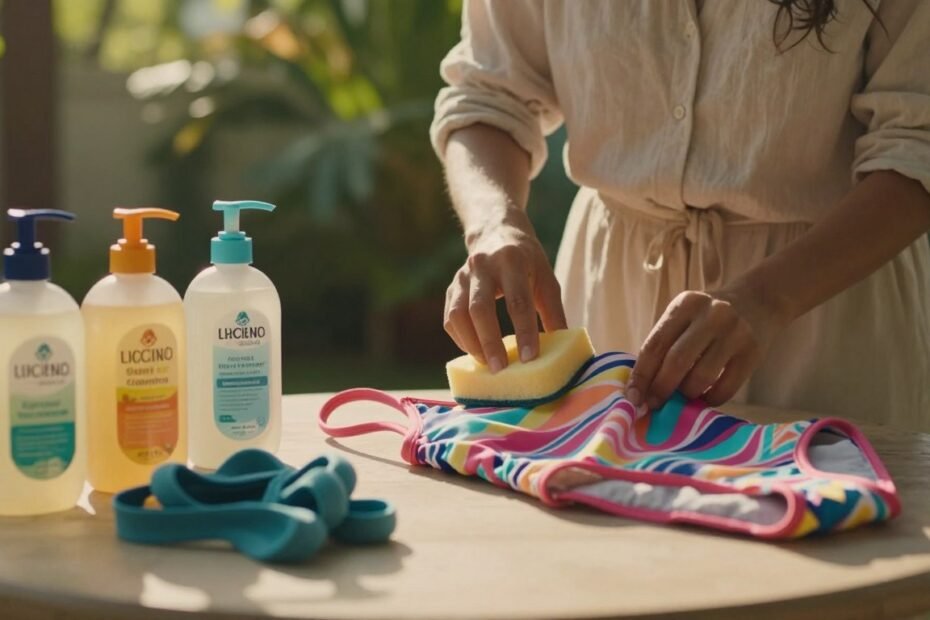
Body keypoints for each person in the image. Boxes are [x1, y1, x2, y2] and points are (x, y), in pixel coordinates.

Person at [430, 0, 930, 430]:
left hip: (825, 309)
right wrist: (495, 223)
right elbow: (488, 93)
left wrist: (766, 299)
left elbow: (915, 144)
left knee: (821, 527)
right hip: (608, 298)